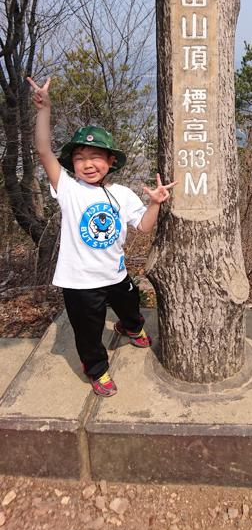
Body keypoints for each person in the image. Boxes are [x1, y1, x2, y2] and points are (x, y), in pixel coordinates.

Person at [28, 76, 176, 397]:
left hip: (115, 272)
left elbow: (145, 226)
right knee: (88, 331)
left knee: (130, 303)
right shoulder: (68, 189)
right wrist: (45, 109)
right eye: (80, 158)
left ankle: (131, 326)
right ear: (73, 165)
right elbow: (43, 150)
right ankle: (97, 369)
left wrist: (155, 203)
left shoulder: (121, 194)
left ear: (110, 162)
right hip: (80, 282)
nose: (87, 164)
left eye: (96, 156)